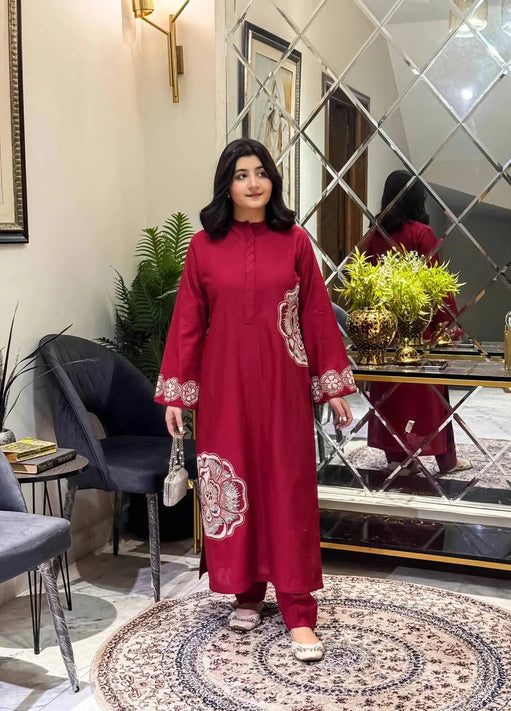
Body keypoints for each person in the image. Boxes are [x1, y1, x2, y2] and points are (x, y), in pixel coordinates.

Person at [155, 138, 356, 661]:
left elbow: (316, 315)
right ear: (227, 185)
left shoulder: (295, 242)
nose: (253, 183)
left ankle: (298, 609)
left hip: (283, 388)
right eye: (241, 174)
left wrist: (332, 384)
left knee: (286, 488)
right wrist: (178, 393)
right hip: (224, 390)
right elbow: (187, 323)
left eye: (261, 172)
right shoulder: (203, 247)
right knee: (234, 481)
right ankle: (246, 592)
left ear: (273, 180)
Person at [361, 170, 471, 475]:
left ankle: (397, 459)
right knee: (432, 397)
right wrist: (448, 325)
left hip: (384, 333)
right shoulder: (422, 233)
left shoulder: (373, 236)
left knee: (392, 398)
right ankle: (445, 460)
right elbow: (437, 286)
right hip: (418, 331)